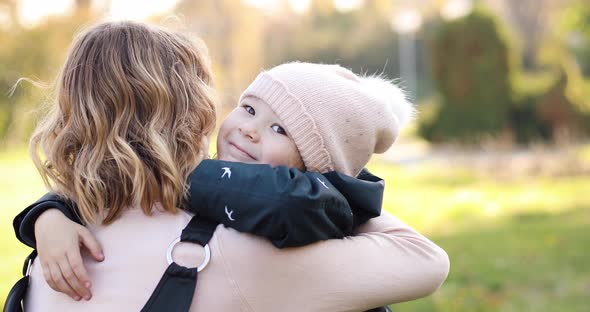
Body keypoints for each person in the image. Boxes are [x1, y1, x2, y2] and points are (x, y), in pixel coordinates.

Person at [12, 21, 449, 311]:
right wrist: (338, 184)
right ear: (195, 112)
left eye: (281, 128)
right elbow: (425, 261)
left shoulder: (48, 258)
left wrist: (47, 213)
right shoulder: (236, 250)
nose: (249, 131)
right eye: (247, 108)